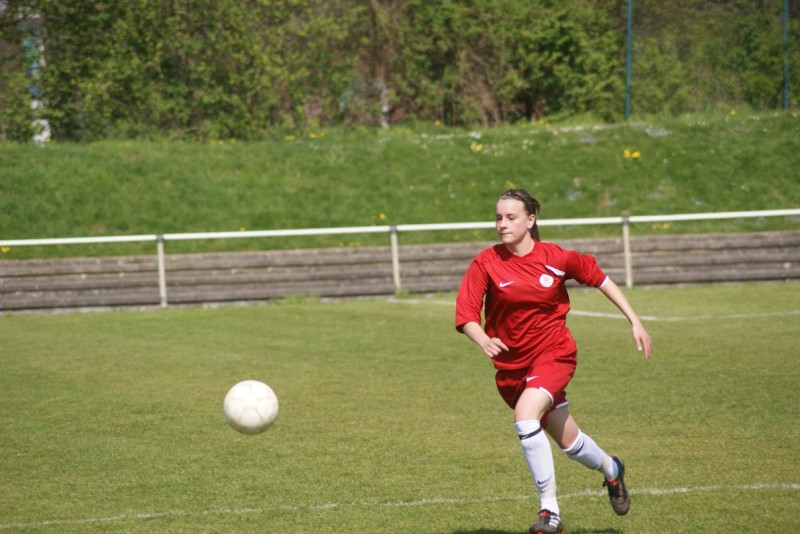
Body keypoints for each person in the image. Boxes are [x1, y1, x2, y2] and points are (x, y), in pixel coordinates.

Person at [455, 189, 653, 534]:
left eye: (511, 217)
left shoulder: (556, 257)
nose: (502, 224)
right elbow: (466, 314)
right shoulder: (486, 262)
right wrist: (483, 339)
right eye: (498, 217)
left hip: (554, 353)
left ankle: (550, 512)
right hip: (511, 368)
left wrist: (634, 320)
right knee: (570, 443)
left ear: (531, 220)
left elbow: (600, 278)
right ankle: (612, 469)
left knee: (525, 417)